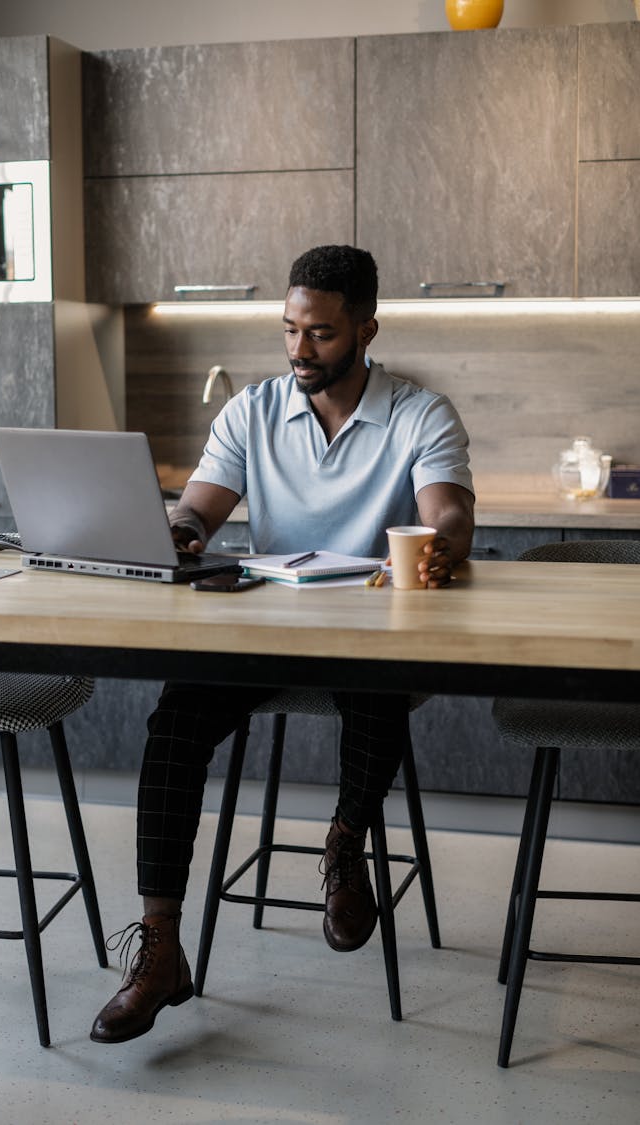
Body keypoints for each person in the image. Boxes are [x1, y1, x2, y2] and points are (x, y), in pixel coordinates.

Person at [90, 244, 475, 1044]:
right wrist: (183, 531)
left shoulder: (420, 413)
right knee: (175, 719)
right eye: (290, 330)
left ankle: (343, 841)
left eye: (322, 335)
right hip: (265, 627)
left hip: (371, 632)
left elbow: (447, 513)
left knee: (376, 688)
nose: (301, 350)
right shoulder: (253, 411)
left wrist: (442, 543)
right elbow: (199, 506)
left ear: (367, 328)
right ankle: (161, 946)